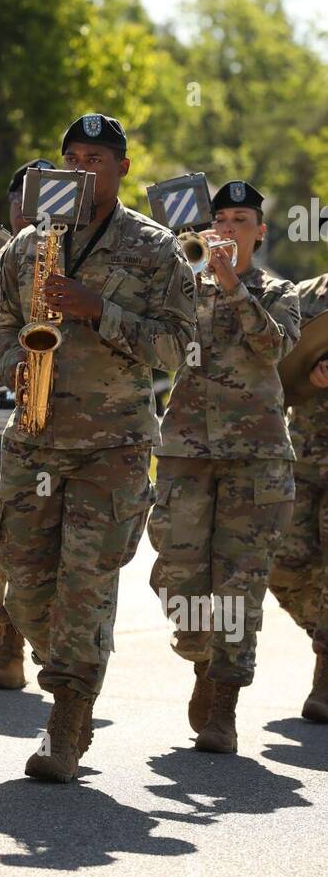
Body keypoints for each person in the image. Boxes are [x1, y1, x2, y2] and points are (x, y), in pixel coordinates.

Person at [0, 114, 196, 782]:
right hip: (34, 436)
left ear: (123, 169)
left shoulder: (155, 248)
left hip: (115, 446)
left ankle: (68, 720)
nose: (84, 169)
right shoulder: (25, 246)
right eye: (72, 156)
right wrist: (6, 365)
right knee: (22, 579)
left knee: (85, 583)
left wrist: (94, 309)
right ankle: (70, 666)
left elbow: (176, 346)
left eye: (98, 158)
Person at [149, 181, 299, 752]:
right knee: (179, 576)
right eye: (222, 220)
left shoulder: (279, 293)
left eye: (242, 220)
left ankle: (225, 704)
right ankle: (200, 658)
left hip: (255, 461)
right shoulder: (183, 289)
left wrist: (232, 284)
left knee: (240, 587)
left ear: (259, 233)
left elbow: (273, 347)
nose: (230, 230)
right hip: (186, 456)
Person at [0, 161, 54, 690]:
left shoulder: (78, 260)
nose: (33, 206)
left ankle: (15, 636)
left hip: (44, 426)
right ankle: (0, 609)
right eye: (24, 196)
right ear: (11, 205)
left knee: (29, 542)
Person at [269, 273, 328, 723]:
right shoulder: (302, 297)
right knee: (281, 563)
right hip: (303, 456)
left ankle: (326, 670)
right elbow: (273, 369)